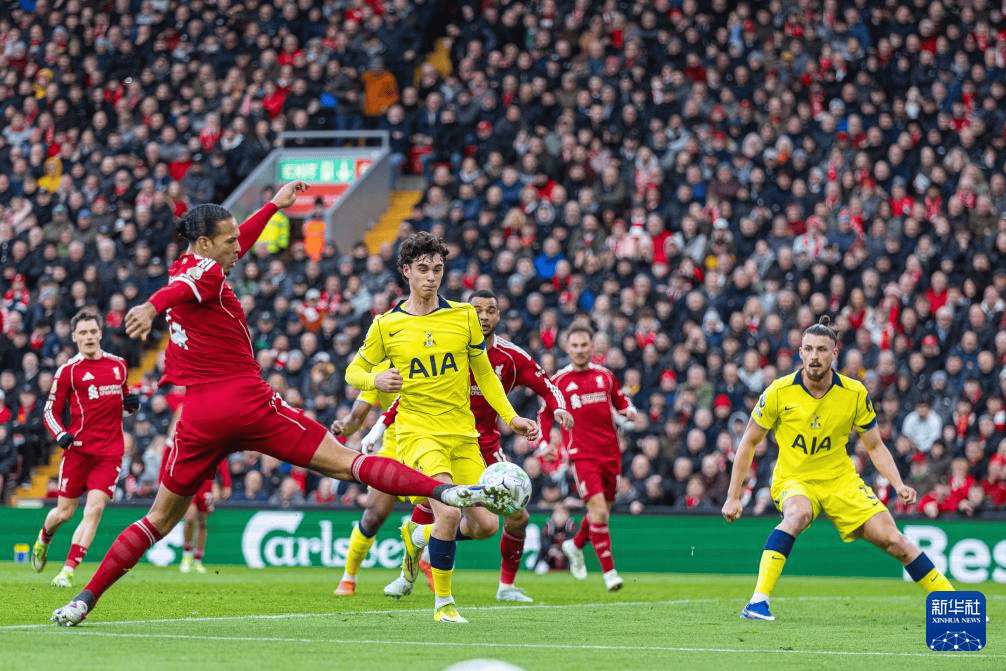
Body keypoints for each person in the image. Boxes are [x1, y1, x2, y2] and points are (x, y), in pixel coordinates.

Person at [51, 184, 508, 627]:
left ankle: (83, 600)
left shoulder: (186, 266)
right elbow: (184, 288)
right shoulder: (203, 274)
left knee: (157, 519)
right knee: (348, 463)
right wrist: (151, 307)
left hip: (199, 417)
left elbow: (199, 272)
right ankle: (442, 493)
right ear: (206, 244)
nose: (239, 247)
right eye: (229, 241)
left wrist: (272, 206)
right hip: (246, 404)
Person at [345, 232, 541, 623]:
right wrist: (375, 380)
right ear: (406, 271)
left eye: (437, 269)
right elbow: (354, 371)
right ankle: (444, 604)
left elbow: (484, 373)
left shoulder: (464, 317)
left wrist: (511, 417)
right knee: (448, 512)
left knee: (485, 524)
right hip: (418, 433)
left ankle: (416, 535)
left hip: (463, 435)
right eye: (423, 269)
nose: (431, 277)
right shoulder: (386, 325)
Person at [721, 317, 954, 621]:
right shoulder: (778, 391)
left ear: (834, 353)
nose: (814, 356)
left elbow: (875, 446)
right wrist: (733, 496)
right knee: (797, 514)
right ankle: (757, 602)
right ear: (800, 353)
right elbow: (748, 443)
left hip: (841, 482)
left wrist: (898, 484)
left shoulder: (854, 393)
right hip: (795, 479)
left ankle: (954, 606)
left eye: (821, 349)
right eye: (808, 349)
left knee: (895, 541)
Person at [383, 289, 573, 602]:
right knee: (433, 505)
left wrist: (560, 407)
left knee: (510, 519)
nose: (483, 316)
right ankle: (407, 576)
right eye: (477, 310)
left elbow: (547, 386)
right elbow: (411, 391)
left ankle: (505, 586)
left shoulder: (510, 357)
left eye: (491, 310)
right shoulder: (445, 345)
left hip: (485, 449)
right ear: (465, 312)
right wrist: (380, 426)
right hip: (441, 439)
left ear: (499, 315)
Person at [33, 310, 140, 588]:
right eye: (83, 332)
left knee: (94, 510)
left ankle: (67, 571)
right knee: (64, 513)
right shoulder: (68, 371)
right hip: (78, 452)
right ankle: (44, 537)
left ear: (100, 333)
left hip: (110, 453)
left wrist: (131, 405)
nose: (89, 336)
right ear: (74, 337)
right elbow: (50, 410)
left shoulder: (119, 365)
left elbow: (123, 401)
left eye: (93, 331)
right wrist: (61, 434)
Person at [539, 324, 637, 592]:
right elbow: (545, 414)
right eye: (575, 345)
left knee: (601, 511)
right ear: (567, 348)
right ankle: (610, 573)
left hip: (611, 453)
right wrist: (545, 443)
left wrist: (629, 410)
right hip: (582, 455)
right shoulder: (559, 381)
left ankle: (575, 544)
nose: (580, 350)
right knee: (599, 511)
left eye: (584, 345)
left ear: (592, 347)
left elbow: (620, 402)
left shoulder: (605, 376)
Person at [329, 359, 402, 596]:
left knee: (437, 513)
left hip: (431, 444)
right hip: (394, 449)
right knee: (373, 516)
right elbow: (356, 416)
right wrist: (344, 426)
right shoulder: (381, 371)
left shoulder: (433, 358)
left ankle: (427, 566)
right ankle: (348, 577)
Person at [157, 405, 232, 574]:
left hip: (205, 482)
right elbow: (165, 460)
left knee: (202, 522)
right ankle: (186, 554)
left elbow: (221, 458)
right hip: (186, 481)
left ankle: (198, 558)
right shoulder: (175, 437)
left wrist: (226, 483)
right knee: (189, 517)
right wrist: (161, 482)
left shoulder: (209, 433)